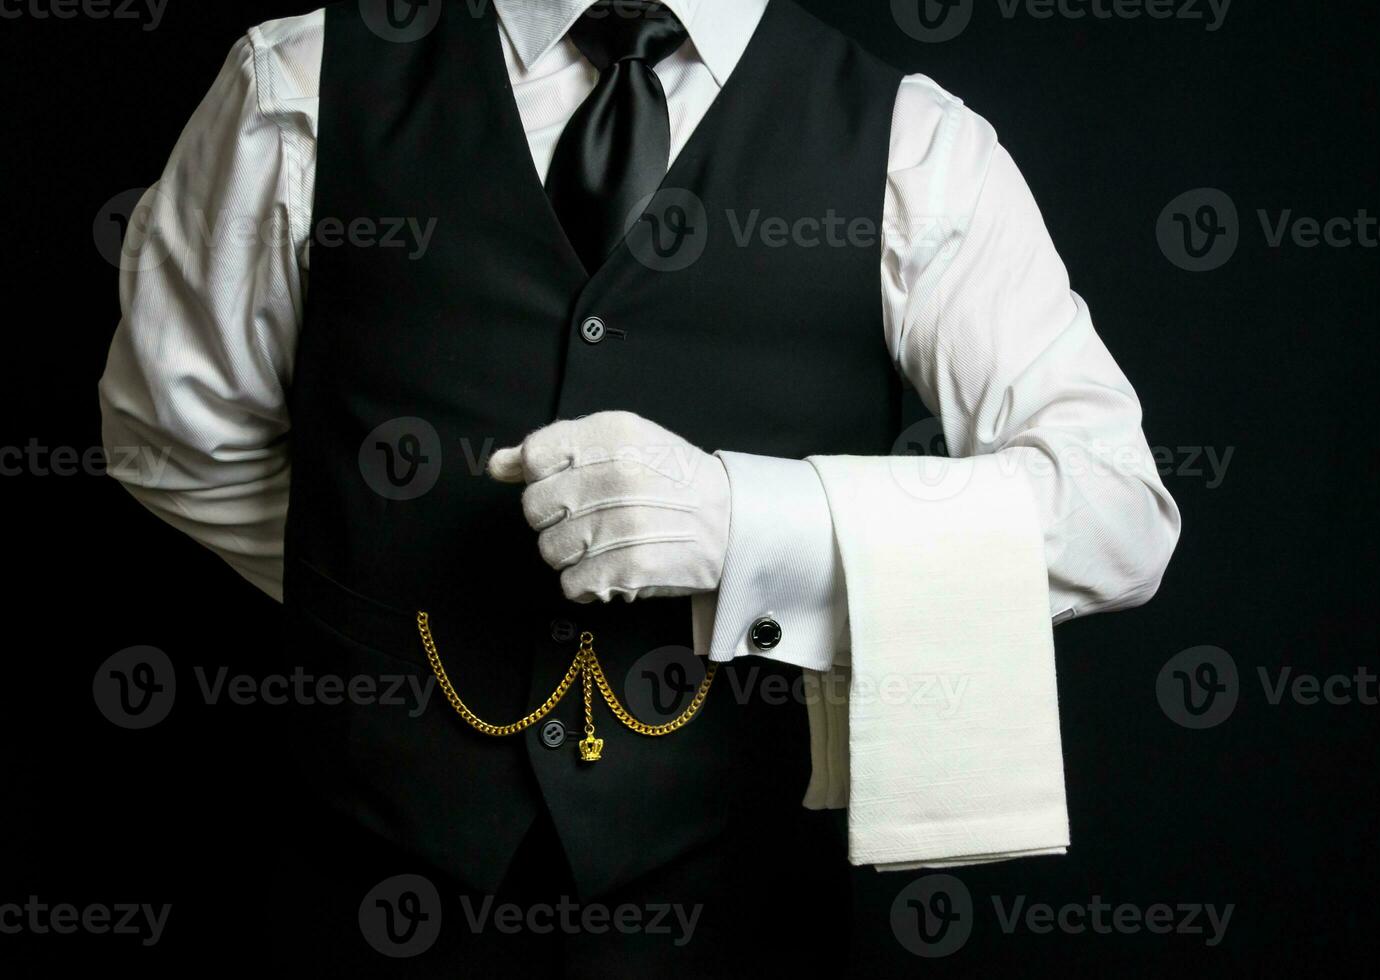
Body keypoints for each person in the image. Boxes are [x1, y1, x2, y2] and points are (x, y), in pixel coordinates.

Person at [99, 0, 1180, 972]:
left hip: (740, 904)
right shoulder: (298, 84)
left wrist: (748, 527)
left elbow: (1115, 511)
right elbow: (175, 437)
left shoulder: (915, 145)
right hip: (356, 890)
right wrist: (399, 581)